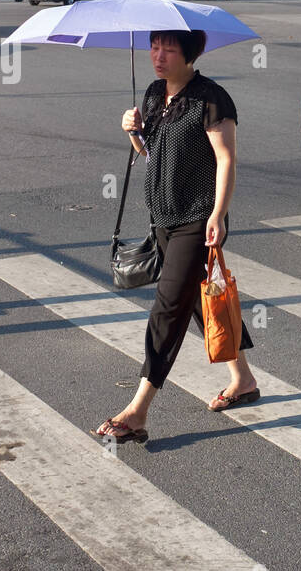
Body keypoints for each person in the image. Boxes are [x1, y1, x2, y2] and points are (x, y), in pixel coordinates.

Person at [96, 29, 258, 443]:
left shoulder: (211, 99)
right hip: (163, 219)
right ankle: (243, 379)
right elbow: (153, 154)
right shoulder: (153, 95)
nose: (158, 55)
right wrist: (133, 131)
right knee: (199, 305)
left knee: (167, 308)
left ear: (189, 55)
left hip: (198, 221)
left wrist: (219, 214)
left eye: (168, 49)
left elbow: (226, 159)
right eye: (154, 47)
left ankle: (137, 411)